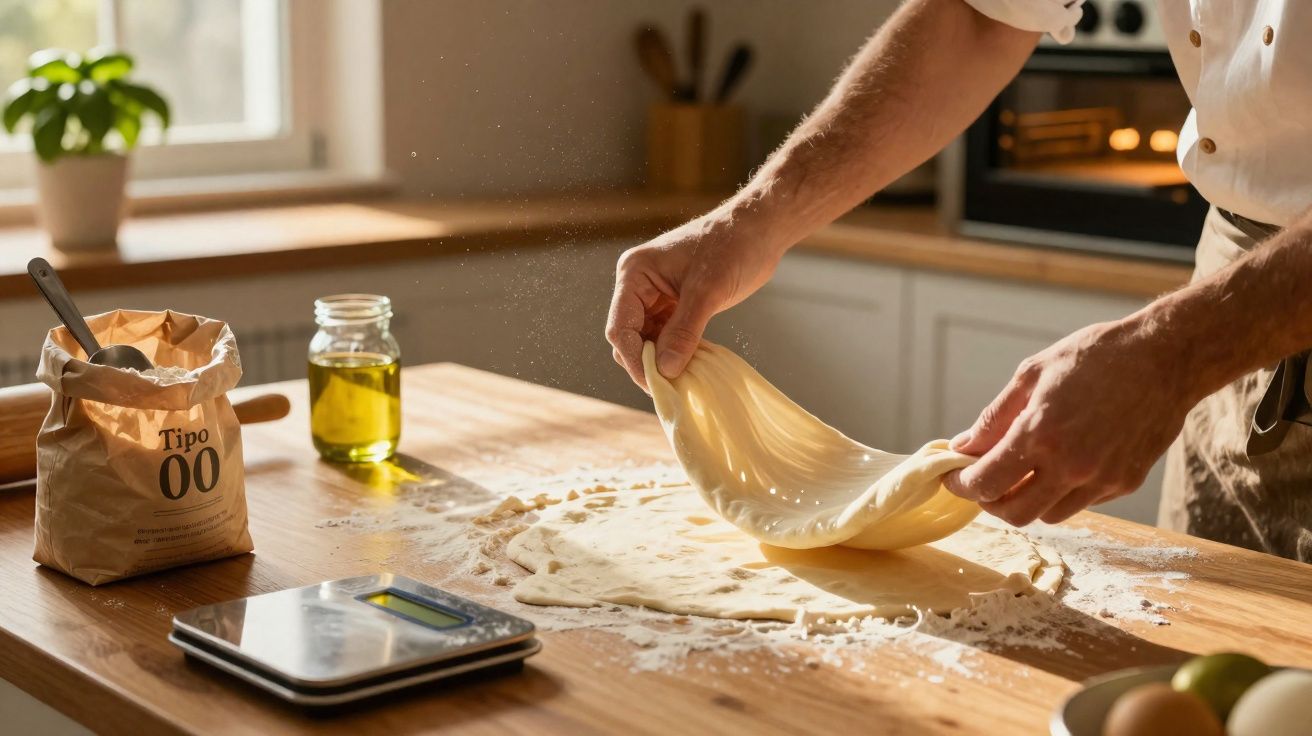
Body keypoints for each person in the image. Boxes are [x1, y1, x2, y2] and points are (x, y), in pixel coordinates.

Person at [605, 0, 1312, 561]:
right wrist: (749, 224)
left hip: (1251, 303)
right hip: (1228, 275)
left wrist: (1173, 352)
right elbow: (981, 16)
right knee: (1207, 674)